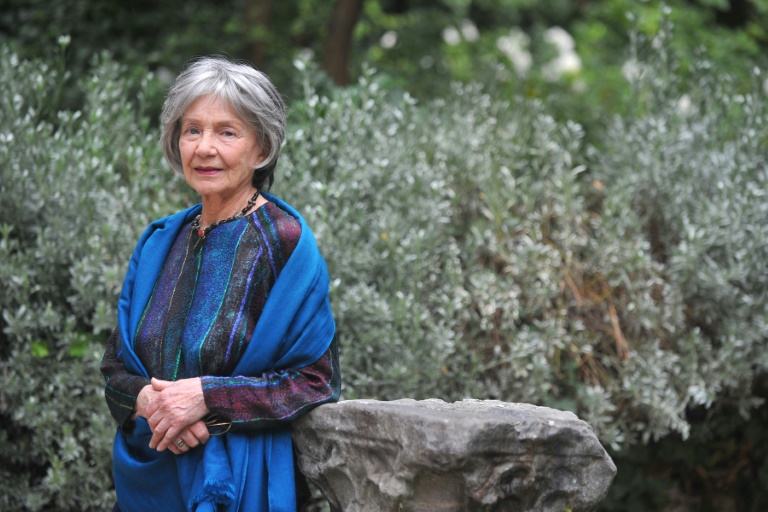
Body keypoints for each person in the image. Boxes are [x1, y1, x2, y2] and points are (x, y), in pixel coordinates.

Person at [100, 56, 340, 512]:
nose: (204, 148)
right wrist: (151, 402)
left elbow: (315, 382)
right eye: (192, 130)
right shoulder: (159, 241)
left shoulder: (284, 244)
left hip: (238, 485)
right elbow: (115, 368)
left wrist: (206, 398)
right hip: (148, 484)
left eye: (227, 133)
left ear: (262, 148)